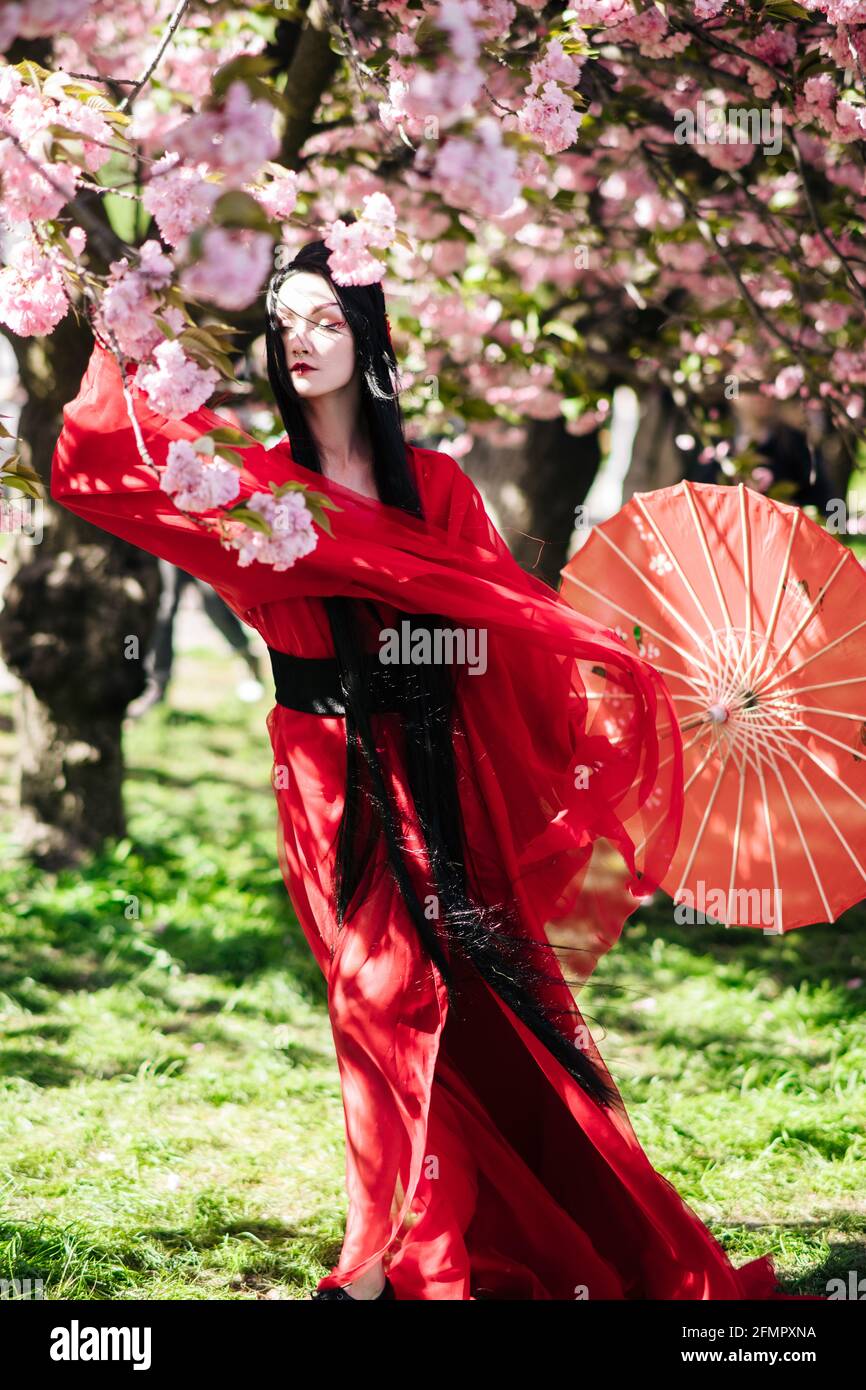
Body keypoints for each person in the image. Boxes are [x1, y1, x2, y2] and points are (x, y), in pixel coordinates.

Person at [50, 233, 820, 1302]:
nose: (303, 339)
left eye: (328, 319)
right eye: (285, 321)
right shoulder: (247, 486)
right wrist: (129, 311)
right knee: (377, 998)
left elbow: (499, 630)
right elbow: (97, 467)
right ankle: (391, 1257)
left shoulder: (439, 489)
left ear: (366, 338)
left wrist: (608, 676)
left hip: (436, 776)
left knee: (487, 1012)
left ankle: (477, 1238)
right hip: (324, 774)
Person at [127, 559, 264, 718]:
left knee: (213, 603)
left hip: (199, 545)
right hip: (170, 546)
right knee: (166, 609)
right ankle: (157, 685)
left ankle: (247, 657)